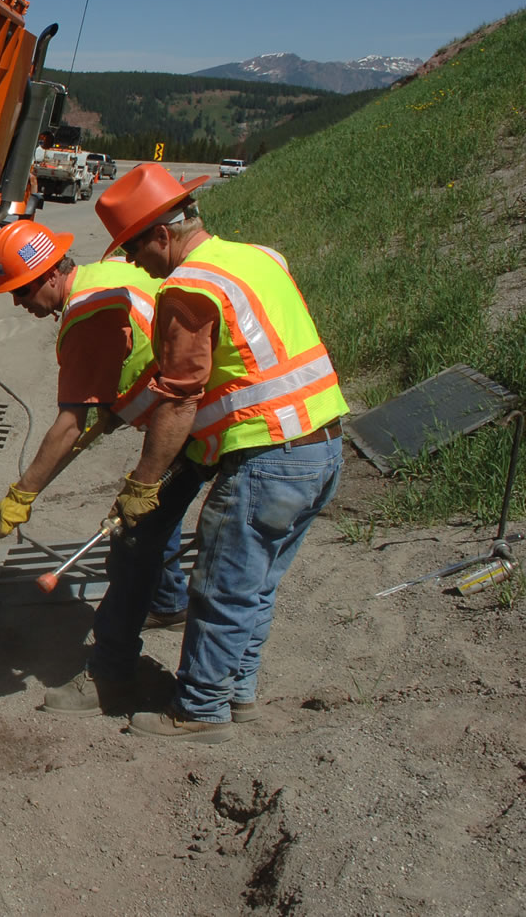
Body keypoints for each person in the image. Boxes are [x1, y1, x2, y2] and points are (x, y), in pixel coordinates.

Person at [94, 163, 347, 743]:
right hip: (324, 446)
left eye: (134, 252)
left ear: (162, 234)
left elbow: (181, 400)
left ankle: (200, 710)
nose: (135, 266)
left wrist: (144, 482)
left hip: (270, 455)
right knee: (256, 582)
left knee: (221, 583)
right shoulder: (260, 257)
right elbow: (247, 363)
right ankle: (238, 693)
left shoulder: (189, 288)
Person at [0, 221, 197, 718]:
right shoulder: (110, 274)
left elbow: (67, 426)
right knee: (156, 516)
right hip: (192, 412)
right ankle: (166, 602)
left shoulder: (85, 316)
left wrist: (24, 492)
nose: (20, 304)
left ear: (52, 273)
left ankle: (111, 671)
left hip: (195, 424)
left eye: (22, 290)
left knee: (130, 537)